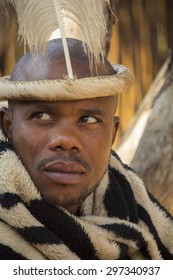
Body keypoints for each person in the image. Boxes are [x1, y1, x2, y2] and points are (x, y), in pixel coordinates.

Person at [0, 38, 173, 260]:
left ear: (113, 133)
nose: (66, 140)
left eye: (88, 119)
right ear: (8, 125)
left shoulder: (133, 207)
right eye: (42, 116)